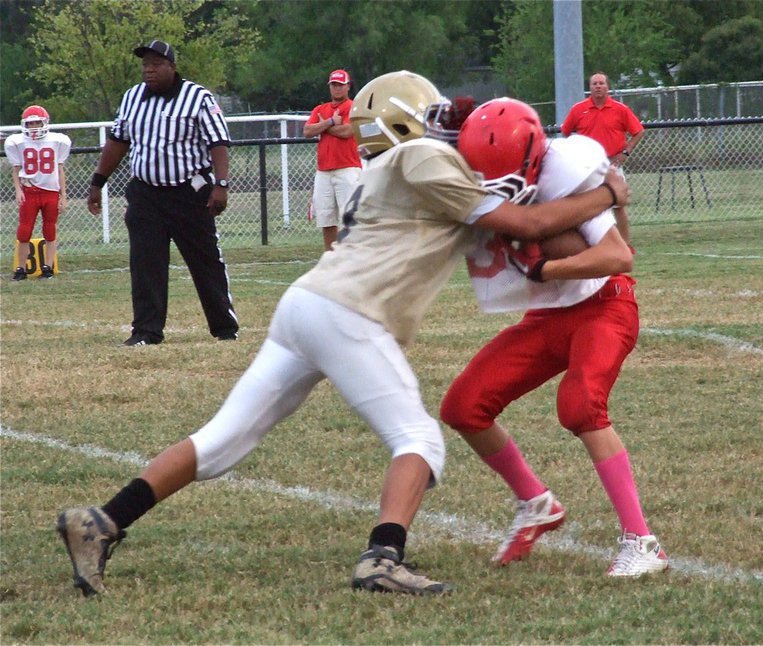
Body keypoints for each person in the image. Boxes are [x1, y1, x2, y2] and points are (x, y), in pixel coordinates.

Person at [56, 71, 629, 598]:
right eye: (431, 117)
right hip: (349, 312)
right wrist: (607, 192)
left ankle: (102, 521)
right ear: (409, 122)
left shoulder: (387, 166)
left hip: (306, 307)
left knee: (221, 442)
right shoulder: (424, 160)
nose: (443, 126)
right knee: (420, 441)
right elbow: (525, 223)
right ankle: (383, 557)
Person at [440, 98, 668, 578]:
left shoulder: (568, 175)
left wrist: (548, 268)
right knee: (464, 406)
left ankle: (642, 541)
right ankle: (535, 502)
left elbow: (619, 256)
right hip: (547, 315)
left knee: (582, 405)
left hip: (605, 303)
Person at [87, 40, 238, 346]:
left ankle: (224, 328)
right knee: (145, 264)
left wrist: (221, 185)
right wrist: (97, 181)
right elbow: (118, 141)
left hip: (189, 193)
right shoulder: (131, 98)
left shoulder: (197, 97)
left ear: (172, 67)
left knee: (205, 261)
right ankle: (146, 331)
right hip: (146, 194)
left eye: (156, 64)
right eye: (145, 65)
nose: (149, 70)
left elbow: (218, 143)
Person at [561, 72, 645, 245]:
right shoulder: (578, 109)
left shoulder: (619, 109)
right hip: (586, 166)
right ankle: (587, 243)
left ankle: (625, 245)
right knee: (585, 205)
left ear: (607, 87)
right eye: (594, 84)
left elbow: (638, 131)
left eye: (601, 83)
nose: (598, 86)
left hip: (612, 164)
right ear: (589, 88)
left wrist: (626, 152)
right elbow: (565, 132)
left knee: (618, 205)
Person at [4, 105, 71, 280]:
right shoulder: (17, 141)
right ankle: (20, 269)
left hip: (51, 191)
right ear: (25, 124)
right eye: (31, 123)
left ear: (45, 122)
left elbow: (60, 169)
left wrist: (63, 195)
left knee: (50, 230)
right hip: (30, 191)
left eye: (37, 122)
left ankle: (47, 267)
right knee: (24, 230)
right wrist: (18, 190)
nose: (34, 126)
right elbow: (16, 169)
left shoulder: (58, 140)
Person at [303, 69, 362, 251]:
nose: (336, 89)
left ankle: (351, 257)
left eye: (340, 85)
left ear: (347, 87)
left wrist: (322, 126)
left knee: (350, 218)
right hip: (324, 171)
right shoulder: (320, 109)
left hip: (348, 168)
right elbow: (307, 131)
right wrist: (329, 122)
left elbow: (346, 132)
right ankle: (331, 257)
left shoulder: (354, 107)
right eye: (333, 85)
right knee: (326, 219)